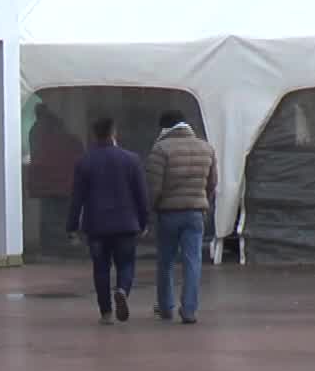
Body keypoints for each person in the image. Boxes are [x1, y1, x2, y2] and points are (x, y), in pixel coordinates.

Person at [66, 117, 151, 325]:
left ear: (94, 134)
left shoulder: (85, 161)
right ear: (115, 132)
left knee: (101, 268)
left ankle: (106, 313)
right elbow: (141, 194)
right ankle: (122, 289)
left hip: (96, 225)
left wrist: (72, 226)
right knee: (126, 264)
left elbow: (77, 197)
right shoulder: (131, 159)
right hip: (126, 223)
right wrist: (144, 220)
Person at [143, 110, 217, 325]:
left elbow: (154, 187)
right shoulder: (206, 148)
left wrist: (152, 208)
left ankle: (166, 307)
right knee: (192, 261)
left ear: (165, 128)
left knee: (166, 261)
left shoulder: (160, 149)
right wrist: (202, 201)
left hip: (168, 213)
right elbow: (212, 183)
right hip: (195, 213)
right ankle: (190, 310)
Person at [27, 105, 83, 256]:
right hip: (65, 184)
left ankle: (53, 246)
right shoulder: (65, 135)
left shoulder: (37, 130)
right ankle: (66, 244)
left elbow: (36, 155)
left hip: (47, 183)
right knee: (64, 216)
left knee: (50, 217)